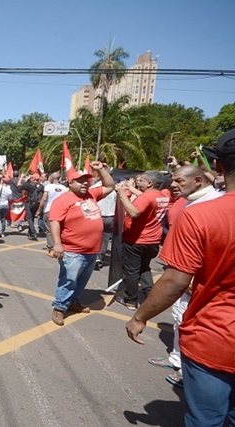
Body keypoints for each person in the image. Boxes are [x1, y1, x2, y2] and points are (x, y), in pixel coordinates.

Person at [126, 129, 235, 427]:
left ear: (218, 168)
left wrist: (140, 316)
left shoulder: (199, 214)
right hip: (217, 340)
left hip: (215, 339)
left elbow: (175, 281)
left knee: (205, 420)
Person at [146, 165, 222, 388]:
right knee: (181, 318)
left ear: (198, 180)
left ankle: (188, 371)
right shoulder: (193, 201)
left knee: (191, 323)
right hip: (185, 274)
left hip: (193, 279)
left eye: (179, 180)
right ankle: (177, 360)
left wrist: (190, 276)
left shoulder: (210, 204)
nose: (173, 185)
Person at [49, 162, 114, 326]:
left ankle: (73, 302)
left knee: (81, 281)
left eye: (87, 180)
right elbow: (55, 221)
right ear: (70, 183)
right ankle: (59, 308)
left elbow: (110, 185)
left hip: (92, 250)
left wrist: (100, 169)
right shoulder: (64, 200)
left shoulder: (91, 195)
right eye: (80, 180)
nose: (85, 183)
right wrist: (57, 244)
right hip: (73, 251)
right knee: (68, 281)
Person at [115, 171, 170, 310]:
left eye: (141, 180)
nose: (138, 182)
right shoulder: (162, 195)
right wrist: (131, 188)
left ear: (150, 183)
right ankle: (149, 294)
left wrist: (122, 193)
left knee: (131, 271)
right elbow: (146, 199)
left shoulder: (147, 197)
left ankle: (130, 300)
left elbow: (133, 212)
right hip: (152, 241)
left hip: (137, 240)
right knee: (144, 268)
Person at [37, 172, 67, 252]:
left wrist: (39, 209)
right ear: (59, 179)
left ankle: (51, 247)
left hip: (48, 210)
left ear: (51, 179)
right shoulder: (64, 188)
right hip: (60, 211)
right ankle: (58, 245)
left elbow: (44, 199)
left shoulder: (48, 187)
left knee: (49, 230)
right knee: (59, 229)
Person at [22, 173, 44, 241]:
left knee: (29, 218)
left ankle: (33, 233)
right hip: (37, 204)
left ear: (33, 179)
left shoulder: (29, 185)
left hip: (30, 203)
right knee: (32, 218)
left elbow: (20, 184)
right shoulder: (41, 186)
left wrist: (25, 178)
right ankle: (30, 232)